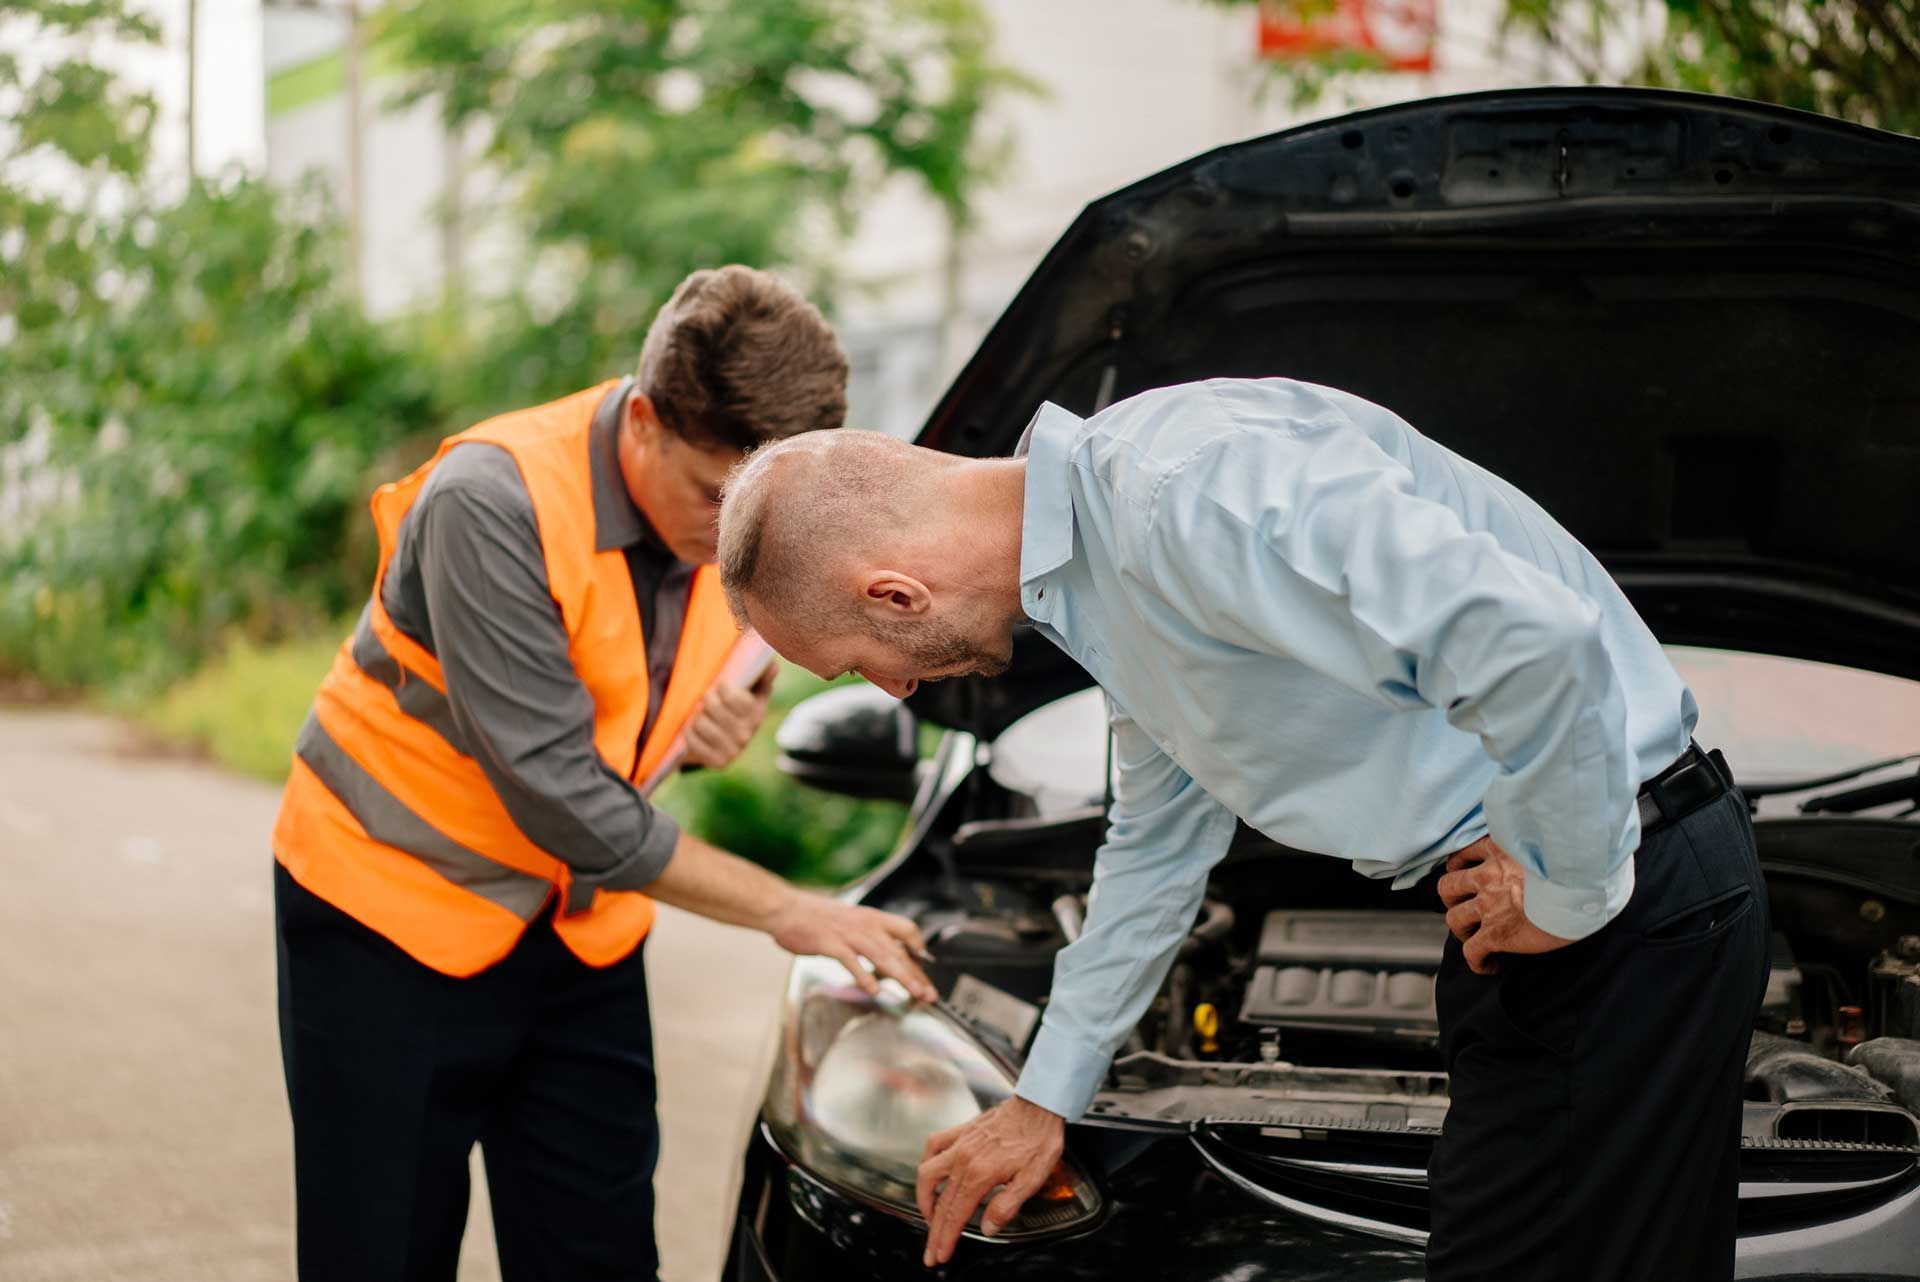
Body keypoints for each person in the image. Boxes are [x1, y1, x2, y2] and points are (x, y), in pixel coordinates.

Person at [715, 377, 1772, 1282]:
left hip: (1625, 903)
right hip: (1545, 922)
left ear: (893, 593)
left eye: (860, 662)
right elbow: (1157, 843)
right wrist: (1044, 1095)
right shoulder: (1101, 580)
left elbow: (1535, 641)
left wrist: (1567, 884)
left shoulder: (1189, 489)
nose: (895, 686)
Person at [271, 265, 937, 1282]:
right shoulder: (487, 503)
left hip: (579, 930)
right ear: (641, 420)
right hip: (387, 921)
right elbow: (560, 796)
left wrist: (719, 716)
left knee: (602, 1254)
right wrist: (789, 909)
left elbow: (654, 684)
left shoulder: (752, 517)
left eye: (755, 504)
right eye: (714, 495)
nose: (732, 536)